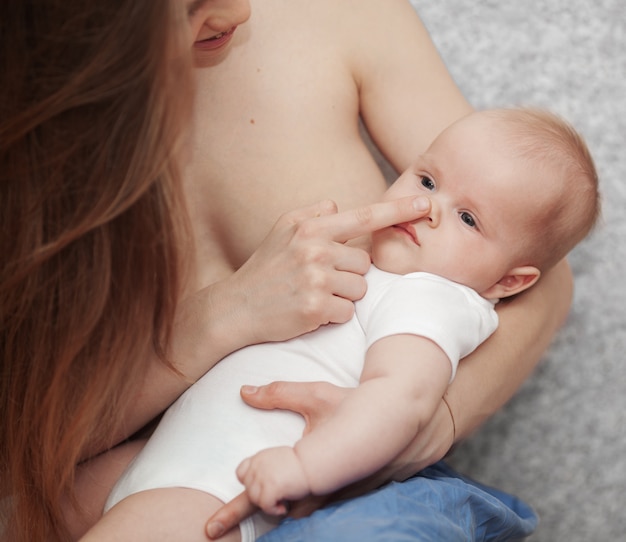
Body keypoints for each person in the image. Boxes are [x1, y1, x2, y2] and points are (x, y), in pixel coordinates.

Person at [0, 0, 575, 540]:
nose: (236, 10)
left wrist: (415, 426)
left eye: (464, 216)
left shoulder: (343, 16)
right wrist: (221, 316)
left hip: (310, 474)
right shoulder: (32, 123)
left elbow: (538, 265)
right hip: (153, 452)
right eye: (189, 4)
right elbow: (28, 437)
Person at [87, 107, 599, 542]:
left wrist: (306, 468)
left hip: (218, 486)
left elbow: (398, 400)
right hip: (172, 456)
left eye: (468, 219)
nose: (429, 209)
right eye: (427, 181)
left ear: (509, 282)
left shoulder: (431, 299)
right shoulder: (381, 274)